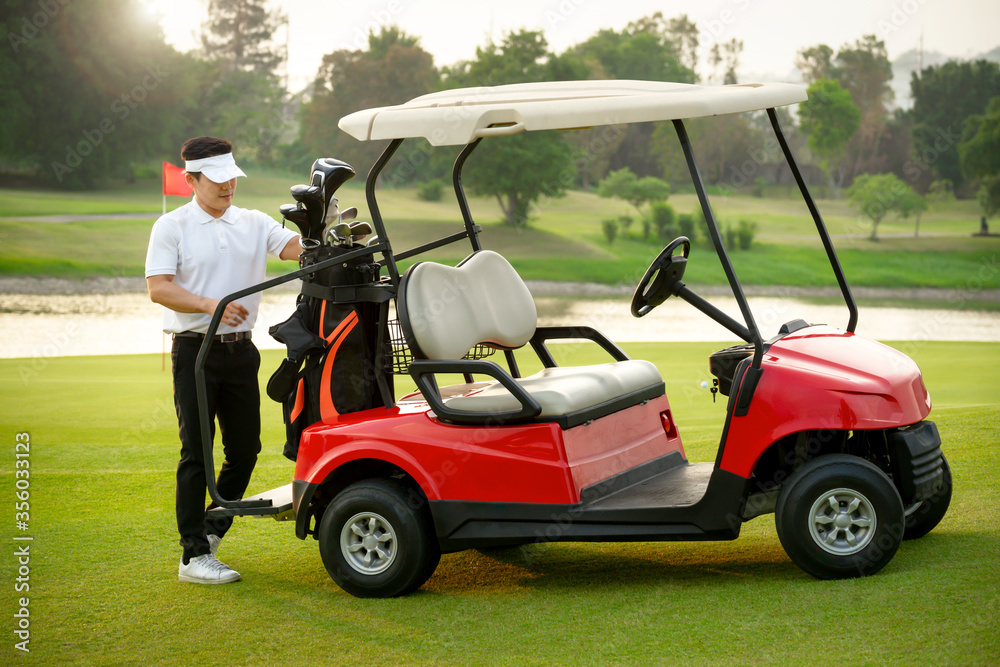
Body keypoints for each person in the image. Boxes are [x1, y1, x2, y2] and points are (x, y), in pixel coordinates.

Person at [145, 136, 301, 584]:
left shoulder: (253, 221)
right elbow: (159, 287)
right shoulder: (171, 226)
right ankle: (192, 556)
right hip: (196, 350)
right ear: (190, 180)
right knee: (197, 451)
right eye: (216, 179)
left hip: (241, 350)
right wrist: (210, 304)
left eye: (231, 176)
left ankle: (212, 531)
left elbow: (294, 248)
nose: (228, 184)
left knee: (245, 449)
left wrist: (323, 234)